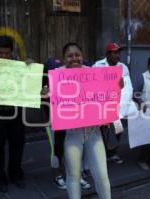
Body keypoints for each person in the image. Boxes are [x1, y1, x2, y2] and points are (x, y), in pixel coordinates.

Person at [52, 42, 111, 199]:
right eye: (69, 56)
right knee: (73, 175)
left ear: (82, 56)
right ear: (63, 58)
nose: (74, 58)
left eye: (77, 55)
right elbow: (47, 99)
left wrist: (118, 86)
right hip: (72, 134)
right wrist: (45, 93)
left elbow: (107, 94)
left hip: (93, 132)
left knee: (102, 175)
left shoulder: (94, 74)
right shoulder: (57, 75)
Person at [43, 57, 91, 190]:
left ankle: (76, 175)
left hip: (73, 120)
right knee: (57, 150)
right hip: (54, 121)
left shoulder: (75, 77)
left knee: (75, 148)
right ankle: (57, 175)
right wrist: (44, 93)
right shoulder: (47, 80)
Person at [0, 36, 26, 193]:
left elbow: (28, 81)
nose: (4, 56)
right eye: (1, 53)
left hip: (15, 111)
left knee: (18, 144)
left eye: (7, 53)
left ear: (11, 52)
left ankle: (16, 174)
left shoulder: (18, 65)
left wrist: (29, 66)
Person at [93, 42, 130, 164]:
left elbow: (127, 87)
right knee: (103, 131)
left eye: (118, 52)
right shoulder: (98, 66)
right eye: (114, 53)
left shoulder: (123, 67)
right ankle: (102, 154)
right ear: (107, 54)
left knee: (118, 130)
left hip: (118, 105)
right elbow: (91, 85)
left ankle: (112, 153)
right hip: (102, 105)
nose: (117, 55)